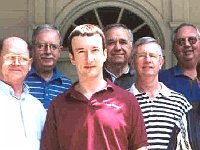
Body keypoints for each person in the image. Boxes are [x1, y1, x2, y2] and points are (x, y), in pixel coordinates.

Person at [40, 24, 148, 150]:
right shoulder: (58, 106)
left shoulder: (127, 101)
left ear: (104, 54)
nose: (89, 58)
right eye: (81, 51)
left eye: (94, 50)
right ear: (72, 58)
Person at [129, 37, 192, 149]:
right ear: (133, 63)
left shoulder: (180, 103)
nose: (147, 60)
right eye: (142, 56)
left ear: (161, 62)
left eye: (152, 56)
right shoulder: (122, 102)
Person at [0, 37, 46, 150]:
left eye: (23, 59)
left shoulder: (37, 107)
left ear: (29, 64)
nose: (16, 63)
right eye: (10, 57)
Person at [25, 24, 72, 109]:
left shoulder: (67, 86)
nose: (48, 51)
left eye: (53, 46)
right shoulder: (21, 81)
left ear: (59, 51)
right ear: (32, 49)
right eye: (41, 46)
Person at [159, 23, 200, 106]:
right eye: (181, 41)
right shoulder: (160, 79)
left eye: (192, 40)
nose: (187, 44)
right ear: (174, 48)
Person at [103, 23, 136, 91]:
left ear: (131, 46)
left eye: (123, 42)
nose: (117, 48)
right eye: (111, 43)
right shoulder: (94, 79)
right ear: (103, 47)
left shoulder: (141, 79)